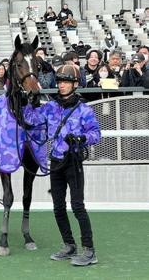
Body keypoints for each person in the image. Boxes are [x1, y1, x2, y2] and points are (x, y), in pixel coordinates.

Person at [25, 65, 101, 266]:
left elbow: (96, 134)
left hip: (73, 162)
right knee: (58, 207)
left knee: (77, 206)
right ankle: (69, 245)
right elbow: (31, 120)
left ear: (75, 84)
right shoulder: (51, 107)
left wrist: (81, 137)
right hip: (56, 162)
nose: (62, 85)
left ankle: (89, 250)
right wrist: (30, 104)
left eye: (66, 82)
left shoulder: (84, 109)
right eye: (60, 82)